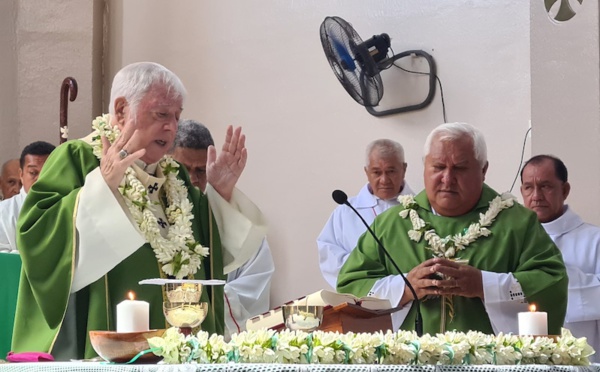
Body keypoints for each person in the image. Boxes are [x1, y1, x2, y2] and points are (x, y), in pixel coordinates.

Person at [12, 62, 267, 360]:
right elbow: (35, 237)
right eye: (161, 114)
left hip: (176, 349)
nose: (172, 126)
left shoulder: (176, 177)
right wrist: (102, 188)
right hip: (103, 343)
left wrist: (220, 193)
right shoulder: (78, 157)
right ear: (121, 111)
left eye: (177, 115)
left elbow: (208, 253)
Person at [337, 122, 568, 336]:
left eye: (459, 168)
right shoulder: (390, 225)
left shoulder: (518, 224)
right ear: (424, 167)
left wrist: (485, 285)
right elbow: (351, 288)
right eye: (438, 167)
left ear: (483, 169)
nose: (447, 179)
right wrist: (405, 288)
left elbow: (551, 284)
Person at [172, 119, 274, 337]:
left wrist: (204, 299)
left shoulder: (235, 221)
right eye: (183, 169)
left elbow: (255, 284)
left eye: (200, 171)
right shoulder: (158, 216)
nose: (192, 179)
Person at [521, 154, 600, 361]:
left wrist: (547, 277)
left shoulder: (595, 240)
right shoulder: (513, 242)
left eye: (545, 186)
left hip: (581, 359)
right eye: (528, 187)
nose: (536, 196)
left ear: (564, 190)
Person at [317, 139, 413, 289]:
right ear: (366, 172)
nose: (384, 180)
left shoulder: (421, 208)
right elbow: (330, 256)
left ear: (404, 169)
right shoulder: (346, 211)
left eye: (391, 171)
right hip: (365, 297)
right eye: (377, 172)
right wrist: (368, 273)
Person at [0, 141, 55, 252]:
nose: (39, 179)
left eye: (47, 172)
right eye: (33, 172)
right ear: (21, 174)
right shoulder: (3, 211)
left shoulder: (67, 206)